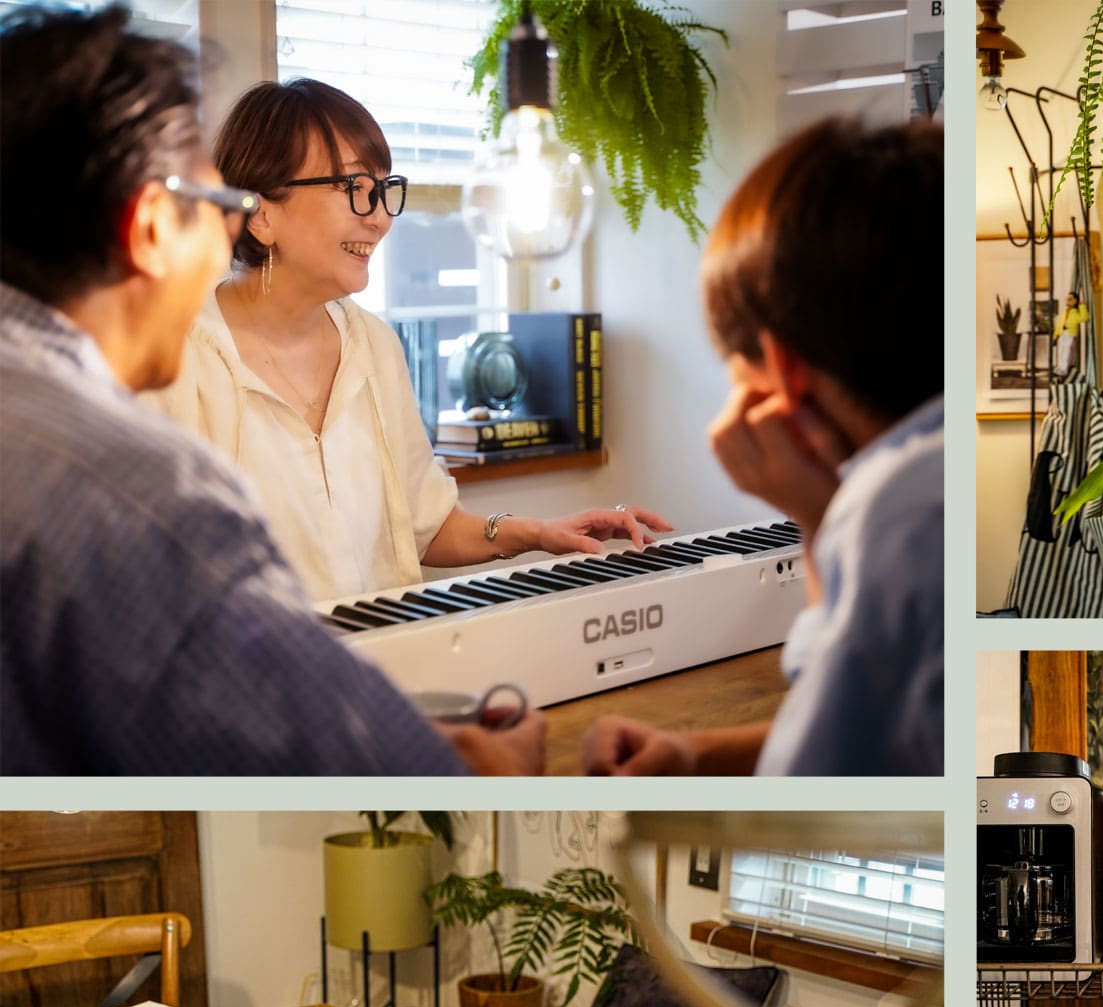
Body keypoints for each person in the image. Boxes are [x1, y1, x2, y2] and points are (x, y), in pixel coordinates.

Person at [0, 4, 542, 774]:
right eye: (217, 206)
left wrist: (525, 535)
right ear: (157, 226)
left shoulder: (373, 344)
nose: (380, 216)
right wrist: (487, 772)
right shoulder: (140, 486)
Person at [147, 78, 670, 603]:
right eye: (353, 188)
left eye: (381, 189)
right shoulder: (172, 359)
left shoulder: (374, 345)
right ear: (261, 214)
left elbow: (425, 525)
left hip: (383, 670)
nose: (377, 217)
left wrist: (538, 533)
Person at [580, 116, 943, 777]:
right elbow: (871, 738)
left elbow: (813, 778)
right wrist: (694, 753)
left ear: (782, 373)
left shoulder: (900, 511)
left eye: (739, 376)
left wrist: (816, 519)